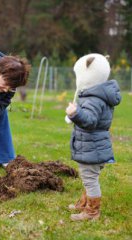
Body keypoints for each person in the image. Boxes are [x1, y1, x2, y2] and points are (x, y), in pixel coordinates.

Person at [65, 53, 121, 221]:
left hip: (92, 148)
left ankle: (92, 212)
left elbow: (90, 122)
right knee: (88, 177)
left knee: (90, 179)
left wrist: (75, 114)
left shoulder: (93, 99)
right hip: (95, 146)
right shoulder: (99, 96)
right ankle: (85, 203)